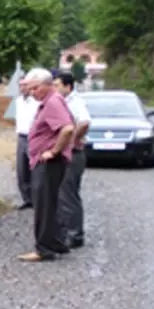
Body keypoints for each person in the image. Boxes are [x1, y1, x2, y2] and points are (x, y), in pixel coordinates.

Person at [19, 68, 75, 262]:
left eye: (35, 88)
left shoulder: (52, 102)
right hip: (46, 161)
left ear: (46, 85)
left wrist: (54, 151)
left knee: (43, 204)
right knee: (50, 203)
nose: (32, 92)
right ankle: (56, 242)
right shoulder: (50, 101)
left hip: (49, 163)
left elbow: (67, 128)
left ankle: (43, 248)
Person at [55, 72, 91, 248]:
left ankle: (75, 234)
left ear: (68, 87)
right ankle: (65, 230)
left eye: (57, 85)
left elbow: (84, 122)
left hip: (73, 154)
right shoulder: (62, 102)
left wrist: (72, 140)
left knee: (68, 194)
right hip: (67, 153)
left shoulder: (74, 102)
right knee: (63, 194)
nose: (55, 89)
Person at [10, 79, 39, 209]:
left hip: (34, 137)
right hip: (21, 136)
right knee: (22, 169)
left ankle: (37, 198)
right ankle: (27, 199)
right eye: (20, 86)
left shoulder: (37, 102)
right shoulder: (18, 101)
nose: (22, 88)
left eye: (25, 85)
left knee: (35, 168)